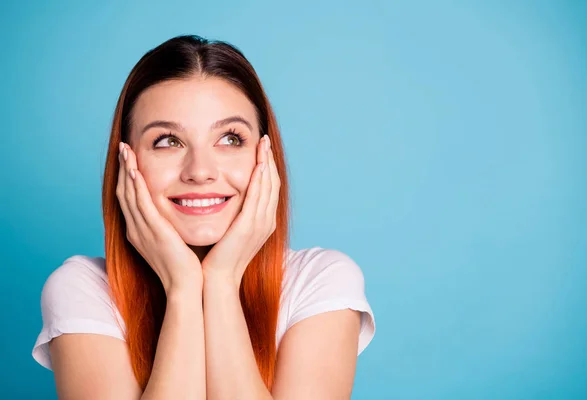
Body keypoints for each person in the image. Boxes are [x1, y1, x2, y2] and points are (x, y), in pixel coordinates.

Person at [31, 34, 376, 399]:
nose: (200, 171)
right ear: (125, 162)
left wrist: (221, 281)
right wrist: (183, 288)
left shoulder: (321, 282)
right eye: (167, 141)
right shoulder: (82, 289)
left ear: (266, 156)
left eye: (230, 139)